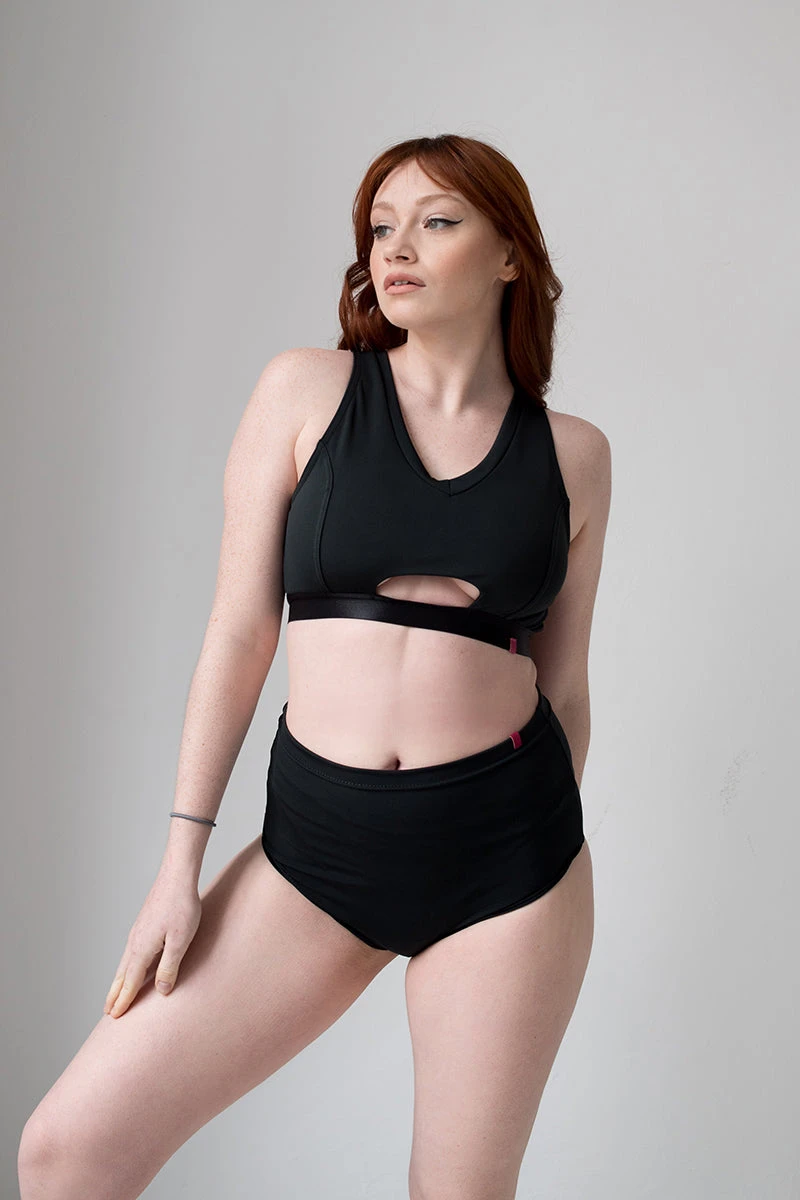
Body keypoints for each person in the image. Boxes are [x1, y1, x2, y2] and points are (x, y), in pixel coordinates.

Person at [18, 134, 612, 1200]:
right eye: (380, 227)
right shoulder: (305, 392)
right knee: (68, 1152)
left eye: (436, 221)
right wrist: (179, 868)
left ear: (509, 256)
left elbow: (563, 685)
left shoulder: (574, 453)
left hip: (509, 864)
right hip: (320, 848)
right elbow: (239, 632)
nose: (397, 247)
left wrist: (515, 837)